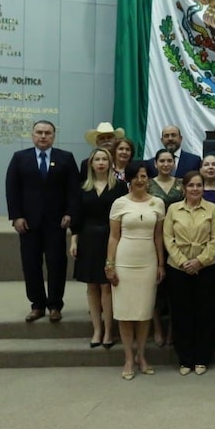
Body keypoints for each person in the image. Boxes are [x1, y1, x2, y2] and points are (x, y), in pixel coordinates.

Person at [5, 120, 80, 323]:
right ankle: (37, 305)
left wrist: (70, 213)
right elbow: (12, 189)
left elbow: (74, 190)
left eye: (48, 133)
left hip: (57, 223)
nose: (43, 136)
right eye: (39, 132)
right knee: (31, 264)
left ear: (54, 136)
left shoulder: (65, 158)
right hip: (28, 223)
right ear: (32, 135)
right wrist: (16, 216)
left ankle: (55, 305)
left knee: (56, 264)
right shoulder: (20, 158)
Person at [105, 161, 166, 380]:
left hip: (148, 261)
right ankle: (128, 358)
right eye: (136, 176)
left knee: (143, 313)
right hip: (124, 260)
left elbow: (158, 236)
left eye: (144, 176)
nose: (141, 180)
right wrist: (110, 265)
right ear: (129, 179)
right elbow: (113, 237)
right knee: (125, 312)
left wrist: (160, 264)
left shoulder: (158, 203)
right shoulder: (119, 204)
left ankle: (142, 355)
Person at [163, 170, 215, 375]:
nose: (195, 189)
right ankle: (185, 359)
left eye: (199, 185)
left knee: (204, 314)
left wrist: (199, 261)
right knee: (182, 314)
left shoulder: (212, 209)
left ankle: (202, 358)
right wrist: (183, 262)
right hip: (178, 269)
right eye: (191, 185)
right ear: (183, 188)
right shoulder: (173, 209)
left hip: (204, 269)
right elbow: (168, 239)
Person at [70, 148, 127, 348]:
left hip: (111, 239)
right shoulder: (83, 187)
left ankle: (109, 331)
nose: (101, 163)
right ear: (91, 164)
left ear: (110, 163)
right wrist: (74, 241)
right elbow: (77, 217)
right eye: (97, 159)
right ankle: (97, 329)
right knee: (91, 286)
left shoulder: (120, 187)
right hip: (87, 239)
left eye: (104, 159)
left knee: (107, 286)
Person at [147, 148, 184, 347]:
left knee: (174, 290)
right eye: (162, 161)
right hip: (153, 239)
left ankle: (171, 330)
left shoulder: (181, 184)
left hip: (180, 239)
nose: (166, 164)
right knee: (155, 287)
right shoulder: (147, 184)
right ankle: (157, 328)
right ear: (156, 163)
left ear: (174, 163)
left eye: (169, 161)